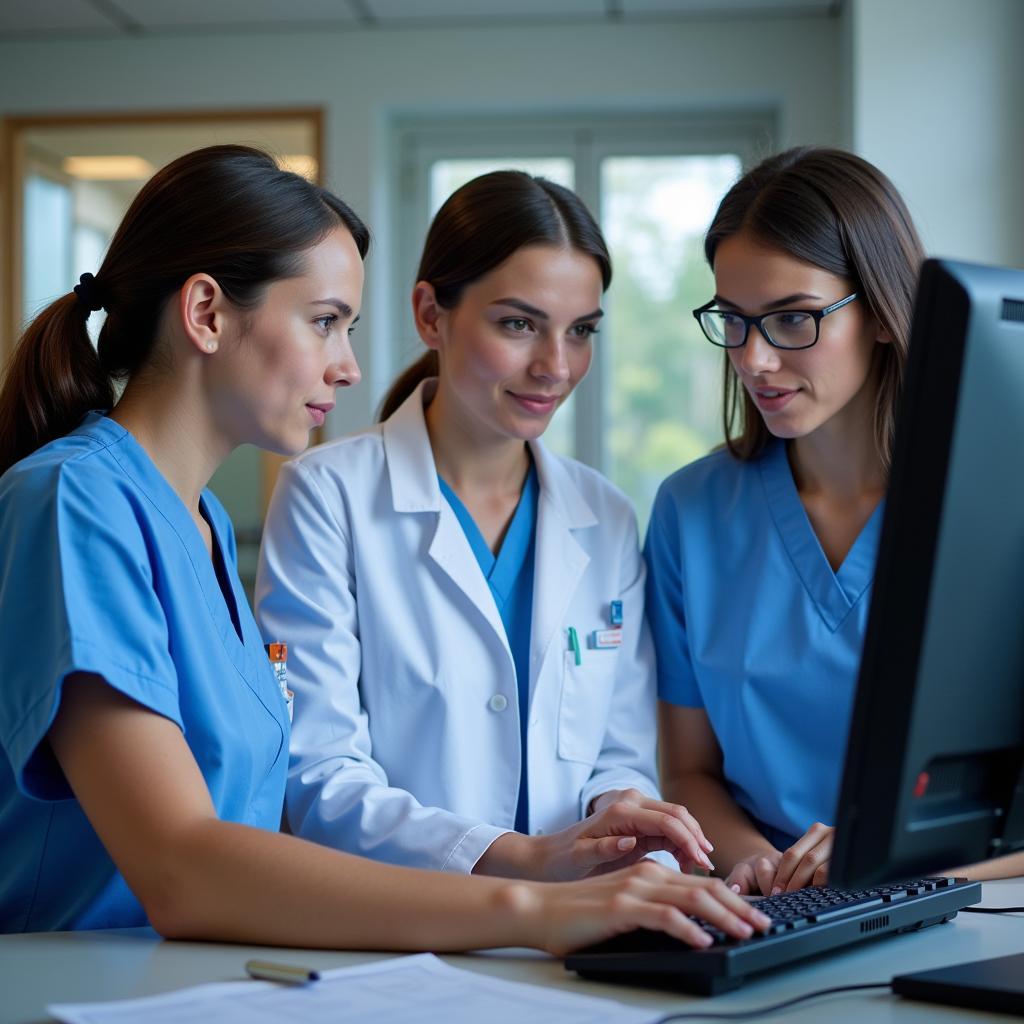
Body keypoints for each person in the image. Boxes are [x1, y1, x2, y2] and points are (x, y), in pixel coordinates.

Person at [0, 144, 769, 950]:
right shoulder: (74, 502)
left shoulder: (201, 526)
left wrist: (596, 846)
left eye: (348, 326)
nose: (350, 366)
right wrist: (536, 902)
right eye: (325, 322)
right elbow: (185, 865)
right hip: (79, 981)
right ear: (207, 314)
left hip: (195, 978)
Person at [256, 171, 714, 882]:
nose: (556, 367)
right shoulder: (327, 496)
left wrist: (625, 810)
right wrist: (521, 861)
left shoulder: (606, 518)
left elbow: (618, 754)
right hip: (407, 923)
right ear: (431, 315)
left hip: (577, 923)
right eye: (519, 324)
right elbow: (320, 778)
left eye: (582, 331)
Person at [647, 145, 1024, 897]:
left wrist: (876, 867)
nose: (753, 359)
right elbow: (689, 768)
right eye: (733, 320)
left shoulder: (1000, 506)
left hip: (967, 904)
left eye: (792, 319)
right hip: (770, 907)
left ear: (882, 313)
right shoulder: (690, 512)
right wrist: (756, 860)